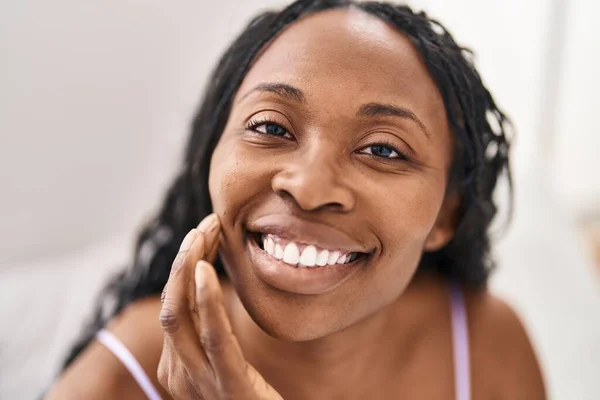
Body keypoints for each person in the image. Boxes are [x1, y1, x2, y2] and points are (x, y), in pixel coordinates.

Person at [45, 0, 546, 398]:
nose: (308, 188)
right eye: (269, 126)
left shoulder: (485, 346)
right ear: (211, 157)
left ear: (447, 213)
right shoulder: (112, 385)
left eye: (383, 149)